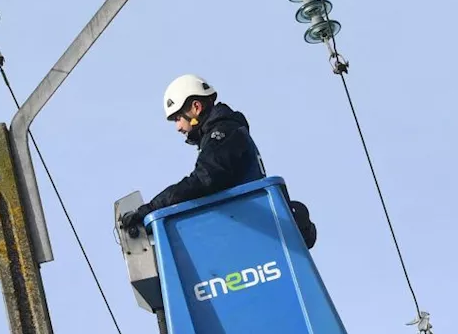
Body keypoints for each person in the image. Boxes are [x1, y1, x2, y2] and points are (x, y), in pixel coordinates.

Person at [118, 74, 317, 248]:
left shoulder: (223, 133)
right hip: (247, 227)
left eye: (178, 117)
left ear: (196, 107)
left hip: (247, 230)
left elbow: (204, 180)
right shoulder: (226, 132)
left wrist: (151, 210)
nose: (178, 127)